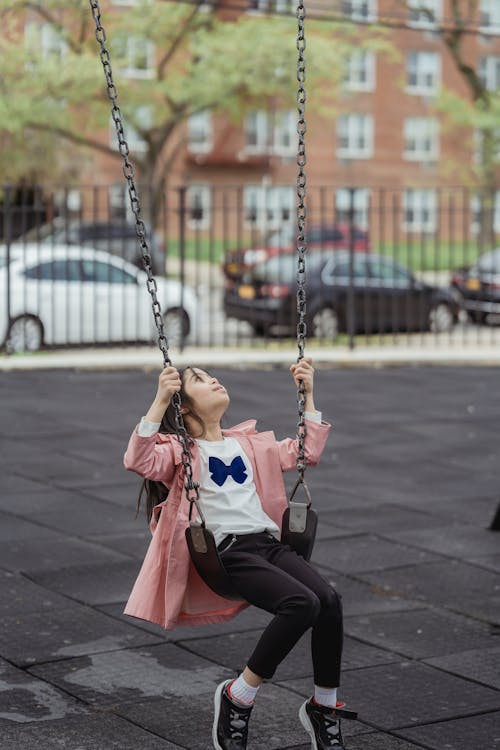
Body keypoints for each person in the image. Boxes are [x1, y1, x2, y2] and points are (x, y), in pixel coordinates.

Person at [123, 359, 350, 750]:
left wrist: (307, 393)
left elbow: (303, 455)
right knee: (300, 604)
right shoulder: (179, 451)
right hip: (227, 552)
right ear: (185, 408)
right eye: (200, 381)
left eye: (213, 377)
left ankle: (323, 707)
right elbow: (139, 461)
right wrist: (159, 400)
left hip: (267, 544)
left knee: (328, 601)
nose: (214, 381)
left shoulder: (249, 443)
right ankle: (238, 697)